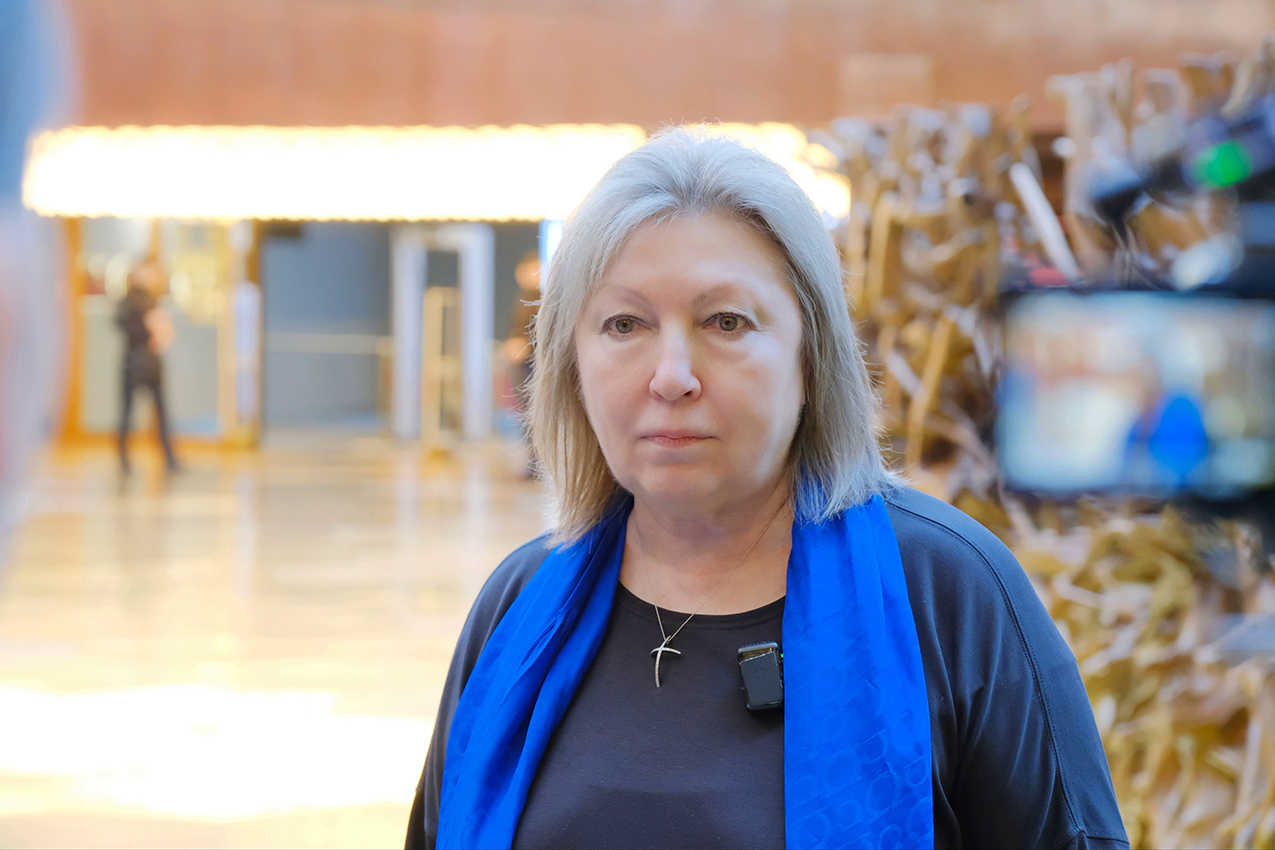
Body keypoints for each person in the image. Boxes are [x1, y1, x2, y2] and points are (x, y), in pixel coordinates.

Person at [406, 128, 1129, 849]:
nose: (671, 376)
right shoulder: (517, 605)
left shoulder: (947, 593)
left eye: (726, 321)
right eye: (624, 324)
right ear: (571, 364)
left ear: (810, 357)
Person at [115, 259, 179, 474]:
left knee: (162, 411)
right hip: (134, 361)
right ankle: (123, 459)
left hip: (152, 361)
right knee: (126, 412)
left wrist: (160, 331)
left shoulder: (152, 299)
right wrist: (146, 327)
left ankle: (170, 457)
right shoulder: (128, 300)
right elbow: (121, 323)